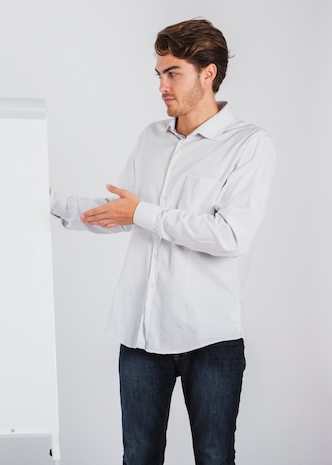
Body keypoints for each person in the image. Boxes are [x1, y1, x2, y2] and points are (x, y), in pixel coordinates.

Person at [50, 18, 275, 465]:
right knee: (138, 456)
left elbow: (230, 236)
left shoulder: (249, 145)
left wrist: (142, 213)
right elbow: (119, 212)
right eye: (159, 74)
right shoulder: (151, 138)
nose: (162, 86)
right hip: (140, 335)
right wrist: (46, 203)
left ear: (207, 73)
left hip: (210, 339)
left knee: (213, 457)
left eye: (173, 73)